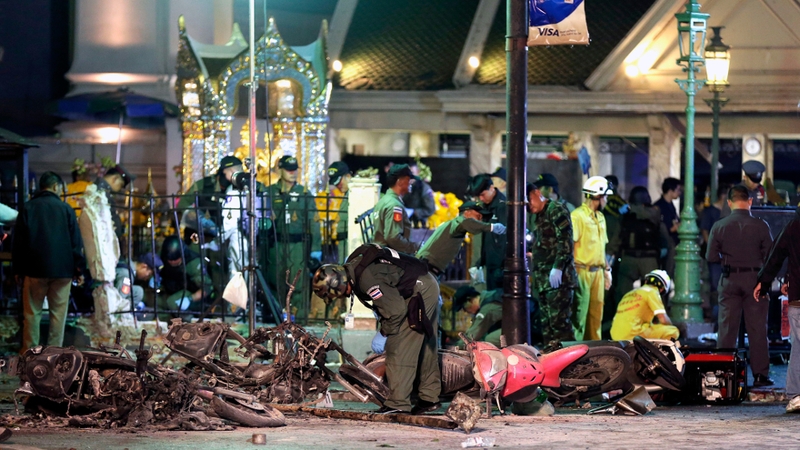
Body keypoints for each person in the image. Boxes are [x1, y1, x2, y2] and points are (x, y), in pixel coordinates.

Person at [312, 244, 441, 415]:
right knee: (424, 345)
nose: (343, 297)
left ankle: (398, 403)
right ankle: (428, 398)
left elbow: (396, 311)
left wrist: (383, 333)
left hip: (419, 291)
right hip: (425, 285)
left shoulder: (365, 278)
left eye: (338, 294)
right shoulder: (353, 267)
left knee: (399, 344)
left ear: (340, 285)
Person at [706, 184, 773, 387]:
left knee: (727, 328)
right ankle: (760, 376)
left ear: (729, 202)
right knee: (757, 329)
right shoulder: (761, 225)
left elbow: (710, 256)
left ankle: (722, 375)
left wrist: (727, 260)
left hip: (729, 279)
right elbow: (770, 256)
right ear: (750, 201)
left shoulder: (719, 225)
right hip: (755, 281)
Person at [13, 172, 84, 353]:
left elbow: (19, 243)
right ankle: (54, 354)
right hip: (63, 272)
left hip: (34, 270)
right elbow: (76, 243)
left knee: (32, 313)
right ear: (55, 187)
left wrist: (18, 270)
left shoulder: (28, 208)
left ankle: (30, 353)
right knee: (58, 315)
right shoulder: (66, 209)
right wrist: (79, 269)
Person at [754, 206, 800, 411]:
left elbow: (775, 256)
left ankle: (797, 395)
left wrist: (763, 283)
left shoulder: (793, 226)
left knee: (798, 347)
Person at [264, 155, 320, 319]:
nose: (292, 173)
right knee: (276, 279)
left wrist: (316, 249)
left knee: (298, 281)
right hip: (276, 243)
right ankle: (276, 316)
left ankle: (299, 318)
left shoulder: (304, 193)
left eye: (295, 169)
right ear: (280, 170)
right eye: (288, 170)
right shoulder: (270, 192)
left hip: (297, 244)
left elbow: (314, 222)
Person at [527, 181, 577, 345]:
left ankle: (571, 364)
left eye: (529, 201)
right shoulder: (538, 216)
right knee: (547, 327)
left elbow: (566, 240)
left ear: (536, 193)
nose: (528, 207)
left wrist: (558, 267)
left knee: (560, 326)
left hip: (559, 279)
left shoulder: (555, 209)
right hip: (544, 279)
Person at [613, 186, 670, 308]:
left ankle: (657, 320)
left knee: (654, 292)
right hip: (631, 256)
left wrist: (630, 208)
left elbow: (647, 215)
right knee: (623, 292)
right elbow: (618, 236)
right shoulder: (627, 215)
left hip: (646, 257)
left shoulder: (652, 212)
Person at [416, 201, 504, 278]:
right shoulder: (458, 222)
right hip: (427, 268)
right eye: (478, 216)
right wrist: (492, 227)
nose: (480, 220)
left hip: (425, 267)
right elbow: (466, 223)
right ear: (467, 213)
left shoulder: (450, 224)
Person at [571, 176, 612, 340]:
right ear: (598, 196)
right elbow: (571, 246)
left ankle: (596, 353)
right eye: (606, 196)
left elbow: (602, 247)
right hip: (582, 272)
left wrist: (607, 270)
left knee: (596, 317)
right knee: (580, 316)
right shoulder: (577, 216)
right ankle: (574, 352)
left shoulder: (601, 217)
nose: (607, 200)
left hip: (598, 274)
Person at [610, 270, 679, 341]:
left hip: (615, 335)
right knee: (673, 331)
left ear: (646, 281)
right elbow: (663, 319)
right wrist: (670, 327)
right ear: (661, 289)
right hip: (633, 334)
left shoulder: (629, 293)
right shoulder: (652, 292)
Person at [466, 174, 507, 290]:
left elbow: (504, 240)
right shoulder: (484, 207)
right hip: (487, 266)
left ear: (491, 188)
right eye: (479, 196)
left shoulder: (503, 207)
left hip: (500, 268)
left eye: (483, 195)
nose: (481, 199)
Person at [157, 235, 213, 319]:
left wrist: (190, 299)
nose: (172, 262)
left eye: (175, 260)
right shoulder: (164, 255)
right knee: (156, 301)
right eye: (170, 260)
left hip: (192, 294)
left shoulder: (193, 263)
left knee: (173, 302)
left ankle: (190, 324)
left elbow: (207, 288)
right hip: (172, 289)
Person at [373, 164, 418, 254]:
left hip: (382, 255)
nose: (411, 182)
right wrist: (414, 247)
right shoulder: (394, 205)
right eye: (408, 179)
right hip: (390, 258)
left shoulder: (385, 200)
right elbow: (393, 237)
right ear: (400, 182)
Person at [700, 185, 728, 321]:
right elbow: (704, 230)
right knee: (715, 284)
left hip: (726, 253)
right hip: (717, 254)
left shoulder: (728, 211)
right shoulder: (711, 211)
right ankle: (716, 314)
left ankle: (720, 314)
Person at [318, 161, 351, 263]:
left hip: (349, 244)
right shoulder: (343, 194)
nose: (338, 186)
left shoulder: (355, 194)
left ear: (348, 176)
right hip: (338, 243)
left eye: (339, 181)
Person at [93, 164, 135, 239]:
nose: (120, 189)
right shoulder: (101, 193)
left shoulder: (103, 191)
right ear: (114, 179)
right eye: (121, 185)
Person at [653, 177, 682, 276]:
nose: (679, 193)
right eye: (678, 190)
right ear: (670, 191)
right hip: (665, 243)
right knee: (667, 269)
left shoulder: (670, 205)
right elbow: (669, 228)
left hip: (671, 242)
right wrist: (679, 225)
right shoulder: (660, 206)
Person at [403, 161, 436, 227]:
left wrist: (414, 212)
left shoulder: (424, 188)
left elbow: (430, 209)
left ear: (418, 172)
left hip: (419, 226)